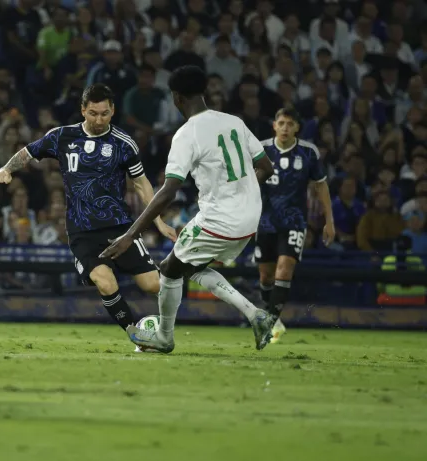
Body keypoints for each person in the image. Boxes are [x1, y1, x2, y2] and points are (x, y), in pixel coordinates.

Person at [101, 66, 277, 352]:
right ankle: (255, 315)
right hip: (250, 217)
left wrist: (130, 235)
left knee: (168, 270)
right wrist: (241, 194)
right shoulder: (234, 121)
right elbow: (266, 167)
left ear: (176, 97)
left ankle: (164, 337)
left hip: (220, 219)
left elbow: (168, 191)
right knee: (189, 266)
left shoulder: (187, 134)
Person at [0, 84, 177, 346]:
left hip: (120, 228)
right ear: (82, 110)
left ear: (113, 111)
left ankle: (167, 323)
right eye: (93, 113)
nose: (99, 120)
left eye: (104, 114)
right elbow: (28, 152)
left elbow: (141, 183)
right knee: (105, 282)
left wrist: (157, 221)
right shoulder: (62, 136)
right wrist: (7, 169)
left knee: (153, 285)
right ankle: (135, 332)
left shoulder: (123, 143)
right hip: (82, 231)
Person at [257, 108, 335, 343]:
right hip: (265, 221)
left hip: (294, 221)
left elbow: (321, 185)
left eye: (290, 124)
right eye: (281, 123)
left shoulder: (308, 152)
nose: (285, 128)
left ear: (297, 128)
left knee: (285, 268)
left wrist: (329, 221)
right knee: (266, 276)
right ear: (274, 125)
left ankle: (270, 323)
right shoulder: (260, 149)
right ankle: (273, 318)